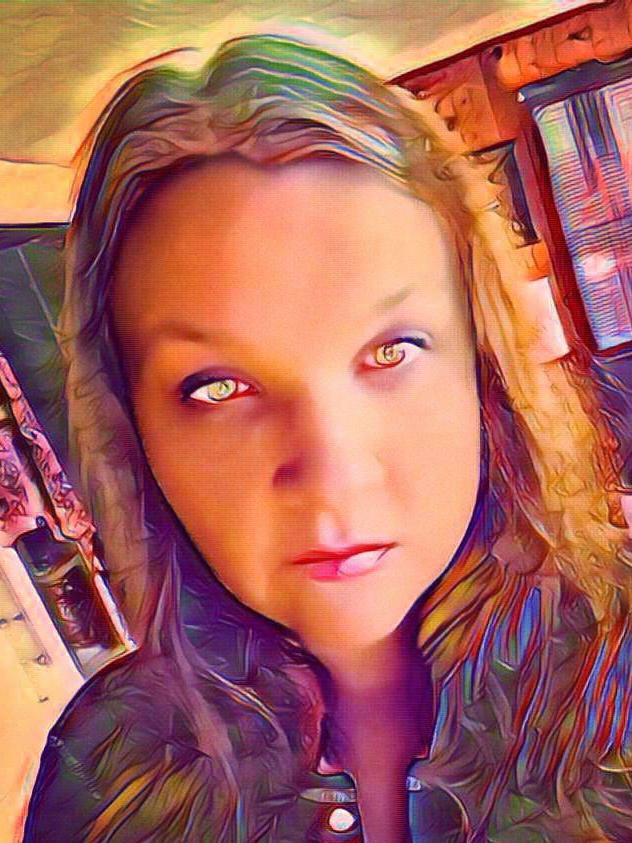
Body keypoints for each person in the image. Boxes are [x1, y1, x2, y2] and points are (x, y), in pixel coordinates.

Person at [23, 32, 632, 843]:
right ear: (136, 437)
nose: (333, 472)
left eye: (391, 351)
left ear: (484, 370)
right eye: (218, 387)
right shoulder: (105, 779)